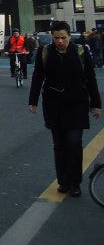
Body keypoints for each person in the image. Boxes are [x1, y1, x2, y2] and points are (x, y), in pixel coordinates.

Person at [27, 20, 102, 196]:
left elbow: (90, 77)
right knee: (59, 145)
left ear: (69, 37)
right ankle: (63, 181)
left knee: (74, 143)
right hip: (54, 106)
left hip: (77, 105)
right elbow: (38, 77)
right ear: (52, 37)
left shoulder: (81, 51)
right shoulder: (45, 52)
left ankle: (75, 183)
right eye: (56, 38)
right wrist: (33, 101)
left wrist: (96, 104)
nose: (60, 41)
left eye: (63, 38)